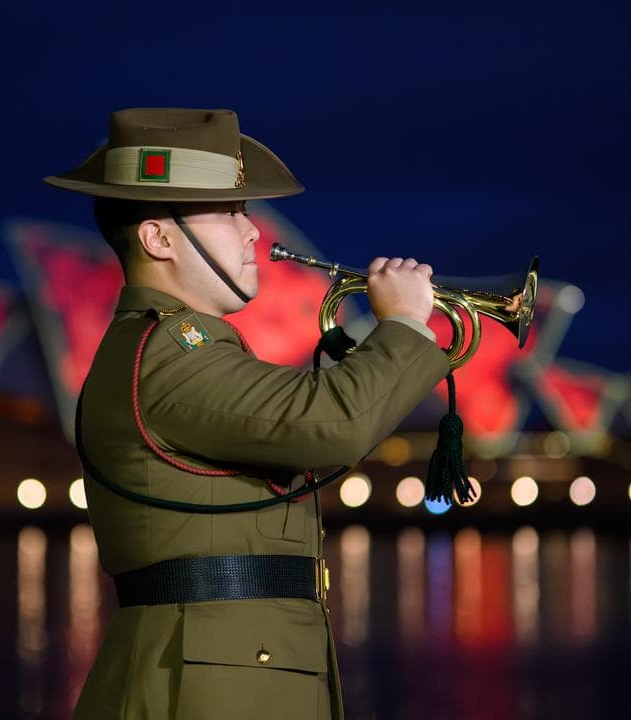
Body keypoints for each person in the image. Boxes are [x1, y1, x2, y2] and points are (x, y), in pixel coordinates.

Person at [45, 107, 449, 720]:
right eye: (230, 212)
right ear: (159, 239)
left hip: (227, 679)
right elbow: (329, 423)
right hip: (204, 693)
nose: (252, 230)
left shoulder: (178, 347)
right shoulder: (170, 353)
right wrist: (401, 327)